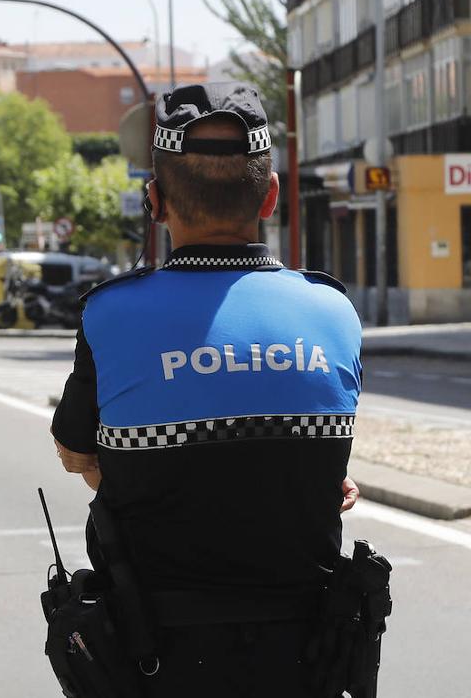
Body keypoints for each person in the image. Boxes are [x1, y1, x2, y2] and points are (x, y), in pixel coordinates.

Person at [49, 81, 363, 698]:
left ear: (155, 201)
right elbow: (319, 454)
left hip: (154, 658)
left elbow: (76, 453)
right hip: (308, 657)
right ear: (270, 196)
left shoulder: (110, 316)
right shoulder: (333, 312)